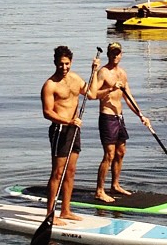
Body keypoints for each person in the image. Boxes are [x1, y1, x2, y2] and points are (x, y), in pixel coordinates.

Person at [41, 46, 100, 224]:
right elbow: (47, 112)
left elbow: (92, 94)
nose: (64, 67)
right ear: (55, 63)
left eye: (67, 64)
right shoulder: (50, 85)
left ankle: (65, 210)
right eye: (61, 64)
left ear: (71, 62)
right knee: (57, 173)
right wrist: (68, 122)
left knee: (71, 172)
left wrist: (94, 72)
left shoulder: (75, 78)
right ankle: (50, 214)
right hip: (60, 129)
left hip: (74, 129)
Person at [94, 42, 150, 201]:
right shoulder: (103, 73)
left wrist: (141, 115)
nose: (115, 55)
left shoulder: (123, 74)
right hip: (107, 116)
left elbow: (128, 96)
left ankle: (115, 185)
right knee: (109, 154)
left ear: (121, 54)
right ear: (108, 54)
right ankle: (99, 191)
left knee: (121, 152)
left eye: (117, 53)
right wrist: (111, 89)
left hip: (120, 117)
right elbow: (93, 94)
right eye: (112, 53)